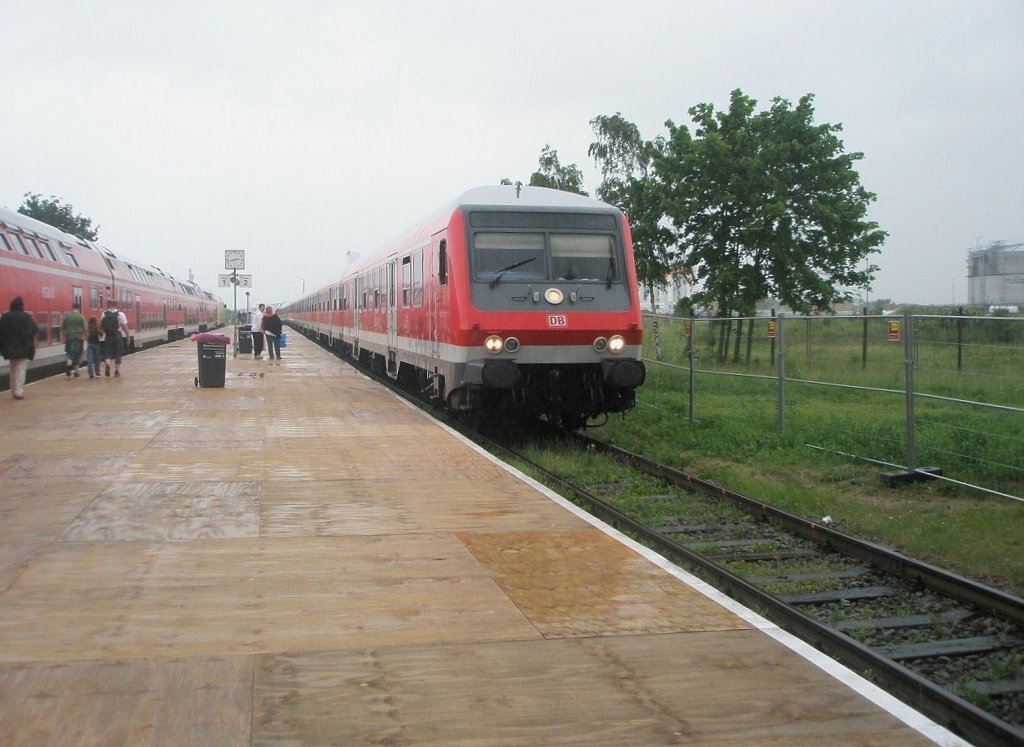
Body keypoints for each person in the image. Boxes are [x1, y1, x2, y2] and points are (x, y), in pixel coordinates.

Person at [0, 296, 40, 400]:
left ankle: (13, 390)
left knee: (13, 369)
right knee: (20, 370)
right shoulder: (26, 316)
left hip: (10, 349)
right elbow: (35, 329)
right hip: (25, 348)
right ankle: (18, 391)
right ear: (21, 306)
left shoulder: (5, 316)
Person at [100, 301, 128, 377]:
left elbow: (101, 326)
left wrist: (101, 334)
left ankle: (108, 364)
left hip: (108, 335)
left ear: (109, 305)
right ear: (117, 305)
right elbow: (124, 327)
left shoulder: (104, 314)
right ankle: (116, 371)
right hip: (117, 335)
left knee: (107, 353)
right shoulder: (121, 314)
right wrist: (127, 336)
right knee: (118, 353)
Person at [60, 301, 87, 377]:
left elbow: (62, 328)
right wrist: (87, 337)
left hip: (69, 338)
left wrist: (63, 337)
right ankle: (76, 372)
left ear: (72, 308)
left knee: (69, 353)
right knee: (78, 354)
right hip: (79, 338)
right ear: (78, 308)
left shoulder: (67, 317)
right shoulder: (81, 317)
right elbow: (85, 328)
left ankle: (68, 365)